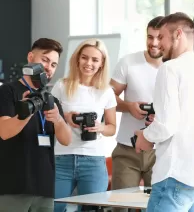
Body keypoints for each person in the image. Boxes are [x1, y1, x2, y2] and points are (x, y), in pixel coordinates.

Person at [135, 12, 194, 212]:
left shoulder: (170, 69)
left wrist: (145, 136)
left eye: (162, 37)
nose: (158, 44)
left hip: (175, 174)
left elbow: (167, 125)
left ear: (178, 34)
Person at [0, 38, 72, 212]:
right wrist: (26, 112)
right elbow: (4, 131)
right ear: (31, 57)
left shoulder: (51, 99)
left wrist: (59, 120)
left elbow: (66, 140)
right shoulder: (7, 91)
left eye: (54, 64)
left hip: (44, 188)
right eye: (45, 60)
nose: (49, 67)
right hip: (14, 187)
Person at [51, 38, 117, 212]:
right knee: (54, 208)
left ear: (102, 63)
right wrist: (66, 117)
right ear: (77, 58)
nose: (89, 63)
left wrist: (99, 127)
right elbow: (46, 119)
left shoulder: (107, 91)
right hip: (62, 158)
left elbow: (111, 127)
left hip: (93, 160)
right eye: (85, 57)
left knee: (91, 210)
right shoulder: (61, 86)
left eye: (95, 60)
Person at [110, 16, 163, 211]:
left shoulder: (174, 67)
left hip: (161, 150)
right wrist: (129, 106)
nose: (154, 43)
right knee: (121, 207)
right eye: (150, 37)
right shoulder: (128, 62)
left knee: (158, 207)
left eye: (159, 37)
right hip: (127, 149)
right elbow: (108, 100)